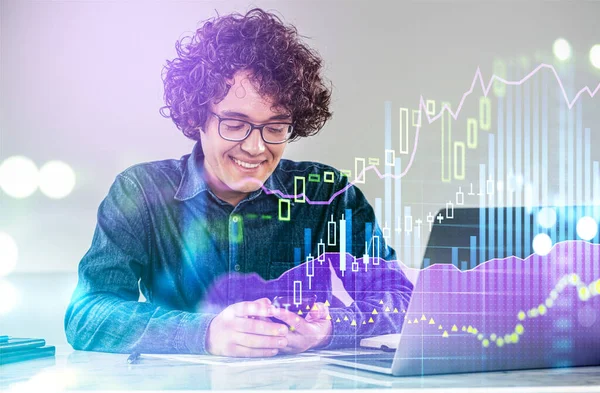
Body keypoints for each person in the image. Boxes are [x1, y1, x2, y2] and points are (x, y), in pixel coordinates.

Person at [64, 8, 413, 357]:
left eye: (275, 128)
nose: (256, 147)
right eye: (234, 124)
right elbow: (88, 315)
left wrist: (332, 327)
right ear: (195, 114)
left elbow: (401, 298)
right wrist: (205, 333)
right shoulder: (141, 191)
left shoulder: (329, 195)